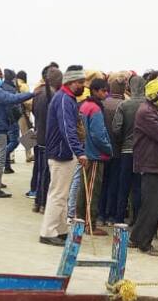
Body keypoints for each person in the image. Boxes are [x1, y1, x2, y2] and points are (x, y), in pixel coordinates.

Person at [39, 66, 87, 246]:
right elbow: (68, 128)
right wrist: (79, 151)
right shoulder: (65, 100)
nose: (83, 85)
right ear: (71, 82)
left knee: (61, 193)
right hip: (61, 153)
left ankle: (60, 230)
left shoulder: (65, 98)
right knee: (58, 194)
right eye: (80, 82)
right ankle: (48, 231)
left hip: (62, 151)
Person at [129, 79, 158, 256]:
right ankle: (145, 243)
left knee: (149, 204)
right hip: (151, 162)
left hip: (154, 162)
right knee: (151, 206)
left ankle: (135, 237)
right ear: (154, 94)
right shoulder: (147, 112)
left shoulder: (154, 109)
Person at [0, 67, 35, 198]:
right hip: (3, 126)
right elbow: (11, 99)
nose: (0, 78)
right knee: (2, 155)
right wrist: (32, 94)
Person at [76, 79, 112, 235]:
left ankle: (80, 221)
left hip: (85, 152)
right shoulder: (95, 109)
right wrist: (109, 149)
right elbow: (98, 134)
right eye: (103, 91)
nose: (106, 94)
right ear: (95, 91)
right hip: (95, 155)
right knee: (92, 190)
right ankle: (90, 224)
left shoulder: (84, 105)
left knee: (83, 190)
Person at [111, 75, 145, 224]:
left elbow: (116, 128)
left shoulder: (124, 106)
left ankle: (119, 218)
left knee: (123, 187)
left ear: (129, 88)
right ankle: (136, 219)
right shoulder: (149, 106)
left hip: (126, 150)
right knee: (138, 188)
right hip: (143, 152)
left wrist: (122, 140)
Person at [31, 66, 63, 213]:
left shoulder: (38, 93)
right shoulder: (56, 96)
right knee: (47, 173)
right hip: (49, 138)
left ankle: (38, 202)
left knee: (40, 170)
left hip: (39, 135)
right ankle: (43, 203)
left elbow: (34, 112)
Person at [98, 73, 126, 225]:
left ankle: (100, 214)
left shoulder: (102, 103)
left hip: (102, 150)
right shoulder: (124, 105)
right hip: (118, 150)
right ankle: (110, 215)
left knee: (102, 183)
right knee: (114, 184)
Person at [2, 69, 23, 173]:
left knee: (9, 141)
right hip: (12, 119)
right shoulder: (11, 89)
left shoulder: (2, 87)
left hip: (4, 119)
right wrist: (18, 115)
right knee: (14, 142)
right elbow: (14, 105)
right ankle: (4, 157)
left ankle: (7, 166)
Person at [16, 70, 35, 163]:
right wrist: (33, 108)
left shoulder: (14, 85)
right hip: (24, 113)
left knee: (13, 135)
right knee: (27, 134)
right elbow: (27, 101)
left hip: (14, 113)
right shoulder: (23, 86)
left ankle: (11, 157)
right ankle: (28, 155)